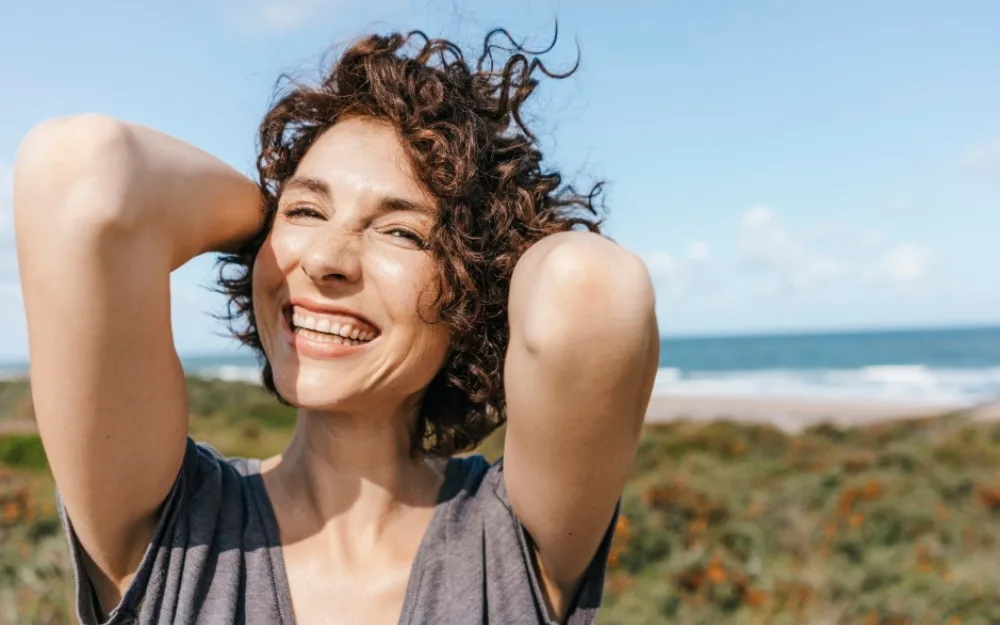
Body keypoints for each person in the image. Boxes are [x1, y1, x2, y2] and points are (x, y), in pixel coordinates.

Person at [13, 28, 658, 625]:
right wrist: (266, 229)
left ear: (475, 291)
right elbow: (80, 170)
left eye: (402, 231)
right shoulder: (171, 526)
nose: (324, 261)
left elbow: (591, 291)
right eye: (307, 210)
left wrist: (489, 258)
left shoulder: (511, 544)